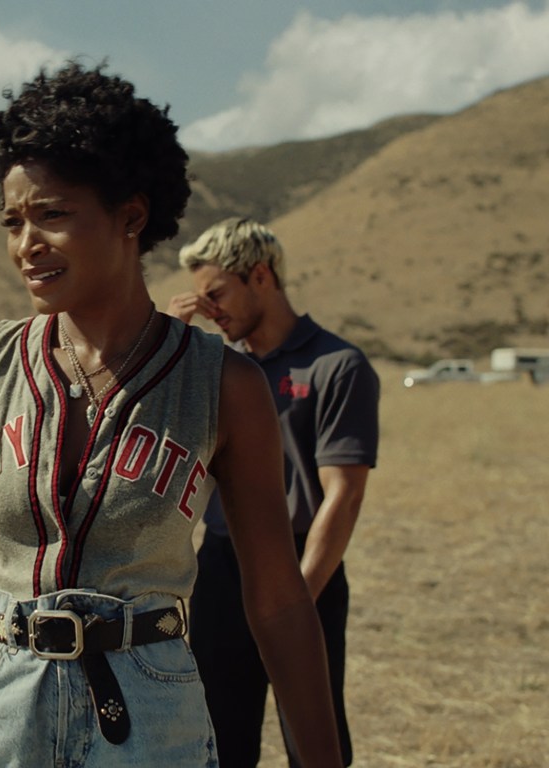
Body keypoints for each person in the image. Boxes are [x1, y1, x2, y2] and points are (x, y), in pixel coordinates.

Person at [0, 61, 343, 768]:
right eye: (12, 221)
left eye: (52, 214)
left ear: (131, 216)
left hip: (146, 715)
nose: (26, 243)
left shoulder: (223, 385)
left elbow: (277, 597)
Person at [167, 217, 380, 768]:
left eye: (217, 294)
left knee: (313, 742)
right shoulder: (218, 371)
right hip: (222, 567)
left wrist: (294, 601)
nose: (210, 311)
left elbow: (344, 496)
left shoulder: (337, 365)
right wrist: (170, 345)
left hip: (303, 565)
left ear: (260, 276)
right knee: (216, 740)